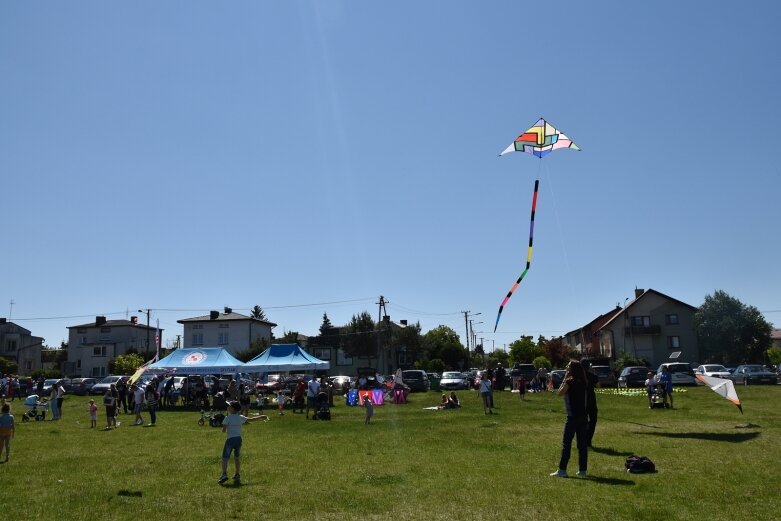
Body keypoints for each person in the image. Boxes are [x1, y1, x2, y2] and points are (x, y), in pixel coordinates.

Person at [550, 359, 589, 478]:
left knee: (566, 444)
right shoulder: (583, 381)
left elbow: (560, 393)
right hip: (583, 416)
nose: (566, 369)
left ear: (571, 370)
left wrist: (565, 378)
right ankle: (582, 470)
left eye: (568, 367)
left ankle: (562, 470)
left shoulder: (569, 382)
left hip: (572, 417)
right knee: (582, 445)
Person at [218, 400, 265, 484]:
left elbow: (223, 430)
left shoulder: (227, 418)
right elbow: (251, 419)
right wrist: (261, 417)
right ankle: (237, 474)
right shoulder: (240, 417)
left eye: (228, 406)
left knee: (225, 457)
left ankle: (224, 474)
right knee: (236, 457)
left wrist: (225, 426)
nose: (227, 407)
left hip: (230, 440)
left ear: (232, 409)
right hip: (238, 439)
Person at [582, 361, 600, 448]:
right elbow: (598, 386)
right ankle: (588, 440)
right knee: (593, 421)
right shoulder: (592, 375)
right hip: (591, 402)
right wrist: (594, 373)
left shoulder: (578, 376)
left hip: (581, 402)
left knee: (583, 421)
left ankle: (583, 440)